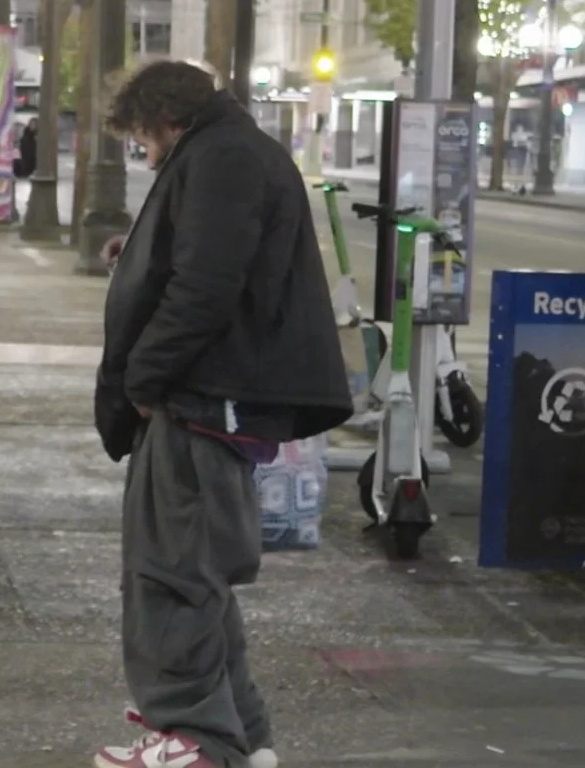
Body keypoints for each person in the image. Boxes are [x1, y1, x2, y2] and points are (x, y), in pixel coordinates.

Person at [90, 61, 352, 768]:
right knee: (194, 568)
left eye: (141, 137)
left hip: (201, 397)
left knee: (173, 568)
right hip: (212, 395)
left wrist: (145, 376)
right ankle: (237, 730)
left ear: (161, 116)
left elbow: (205, 284)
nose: (143, 152)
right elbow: (203, 260)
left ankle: (194, 737)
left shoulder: (221, 155)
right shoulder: (230, 150)